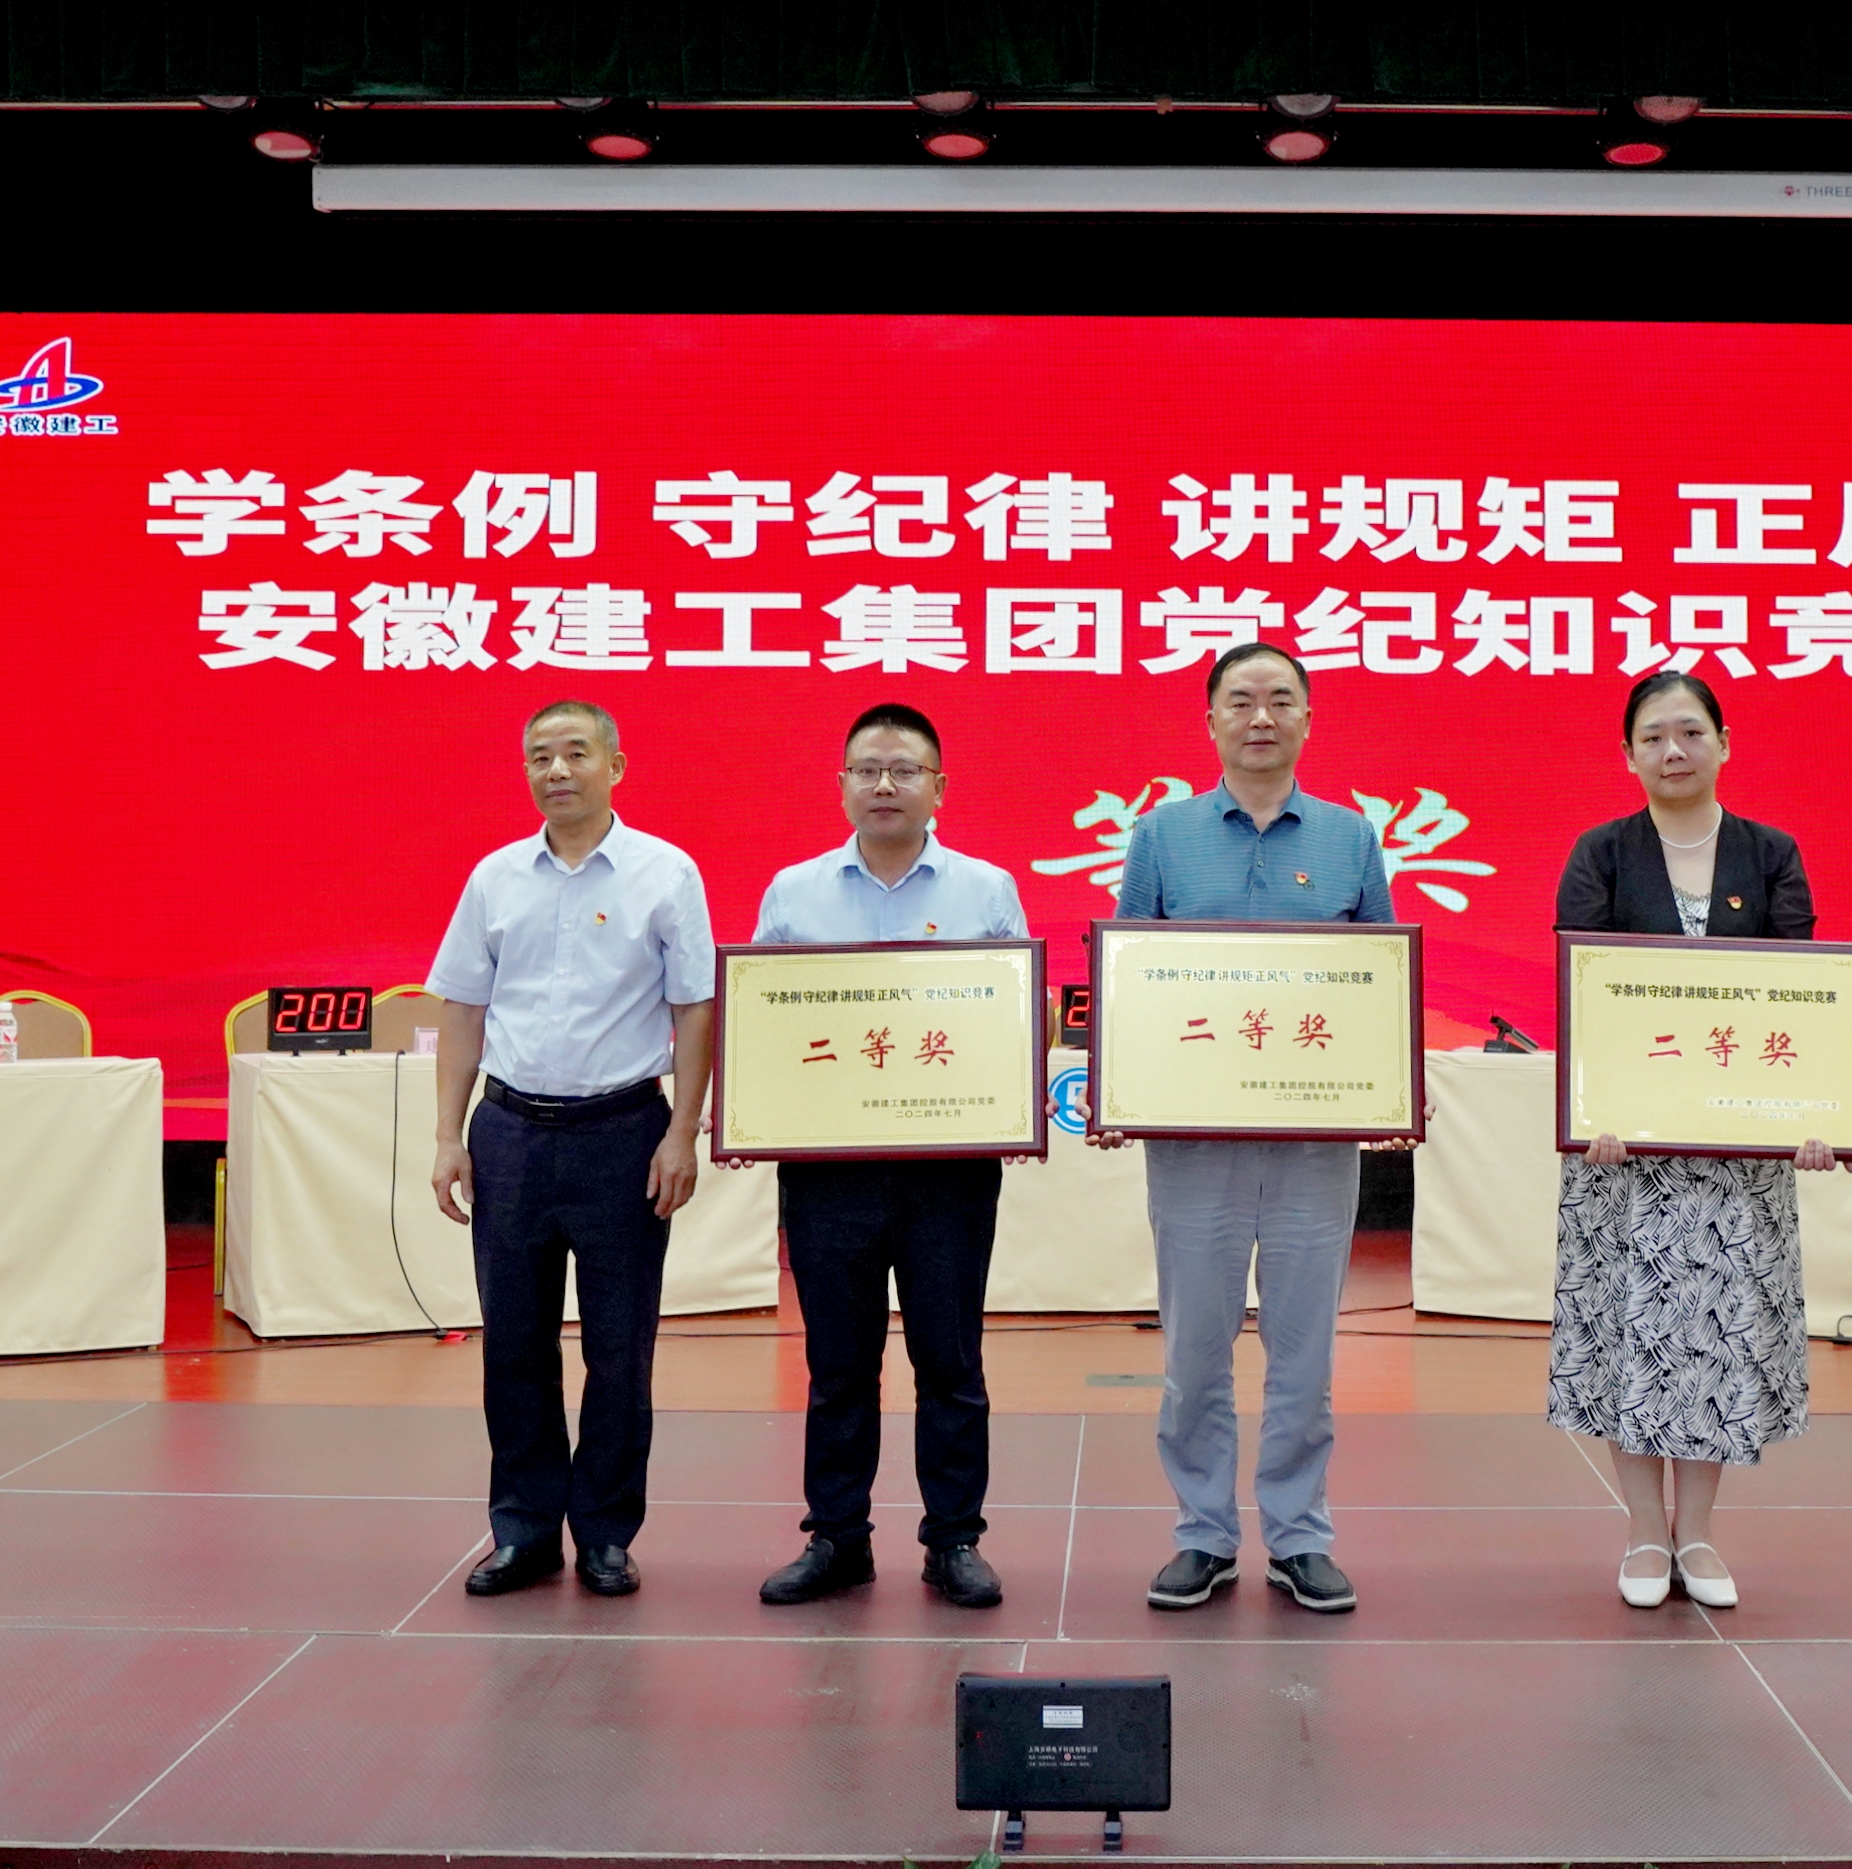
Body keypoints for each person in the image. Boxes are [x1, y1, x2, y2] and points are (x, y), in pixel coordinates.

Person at [1089, 641, 1402, 1616]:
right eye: (1240, 701)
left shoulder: (1350, 838)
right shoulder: (1161, 836)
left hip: (1313, 1145)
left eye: (1279, 700)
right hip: (1194, 1144)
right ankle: (1204, 1533)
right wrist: (1117, 1090)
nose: (1260, 717)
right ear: (1211, 721)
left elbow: (1381, 981)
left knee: (1304, 1353)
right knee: (1193, 1353)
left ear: (1307, 719)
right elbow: (1125, 973)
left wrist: (1392, 1088)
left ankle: (1299, 1536)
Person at [1549, 670, 1848, 1612]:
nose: (1672, 751)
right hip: (1624, 1151)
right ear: (1628, 754)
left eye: (1690, 731)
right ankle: (1646, 1531)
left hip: (1735, 1149)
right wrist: (1594, 1107)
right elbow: (1583, 995)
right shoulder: (1601, 853)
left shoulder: (1770, 853)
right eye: (1652, 736)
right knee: (1632, 1330)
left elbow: (1803, 999)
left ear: (1724, 741)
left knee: (1716, 1334)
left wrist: (1814, 1117)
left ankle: (1701, 1533)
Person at [427, 699, 716, 1600]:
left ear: (615, 766)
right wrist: (447, 1134)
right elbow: (463, 1009)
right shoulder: (495, 877)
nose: (557, 770)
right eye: (540, 757)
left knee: (620, 1350)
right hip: (509, 1133)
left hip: (622, 1134)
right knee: (513, 1344)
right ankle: (522, 1530)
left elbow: (695, 1008)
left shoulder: (666, 873)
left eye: (576, 753)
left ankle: (605, 1532)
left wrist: (682, 1130)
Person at [749, 703, 1027, 1611]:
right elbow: (764, 1025)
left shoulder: (985, 890)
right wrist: (752, 1111)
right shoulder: (794, 893)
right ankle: (838, 1538)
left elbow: (1012, 1019)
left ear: (939, 787)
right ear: (840, 785)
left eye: (904, 770)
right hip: (829, 1170)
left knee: (950, 1361)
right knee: (838, 1366)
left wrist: (1010, 1102)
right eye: (866, 769)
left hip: (948, 1170)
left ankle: (954, 1540)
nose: (883, 785)